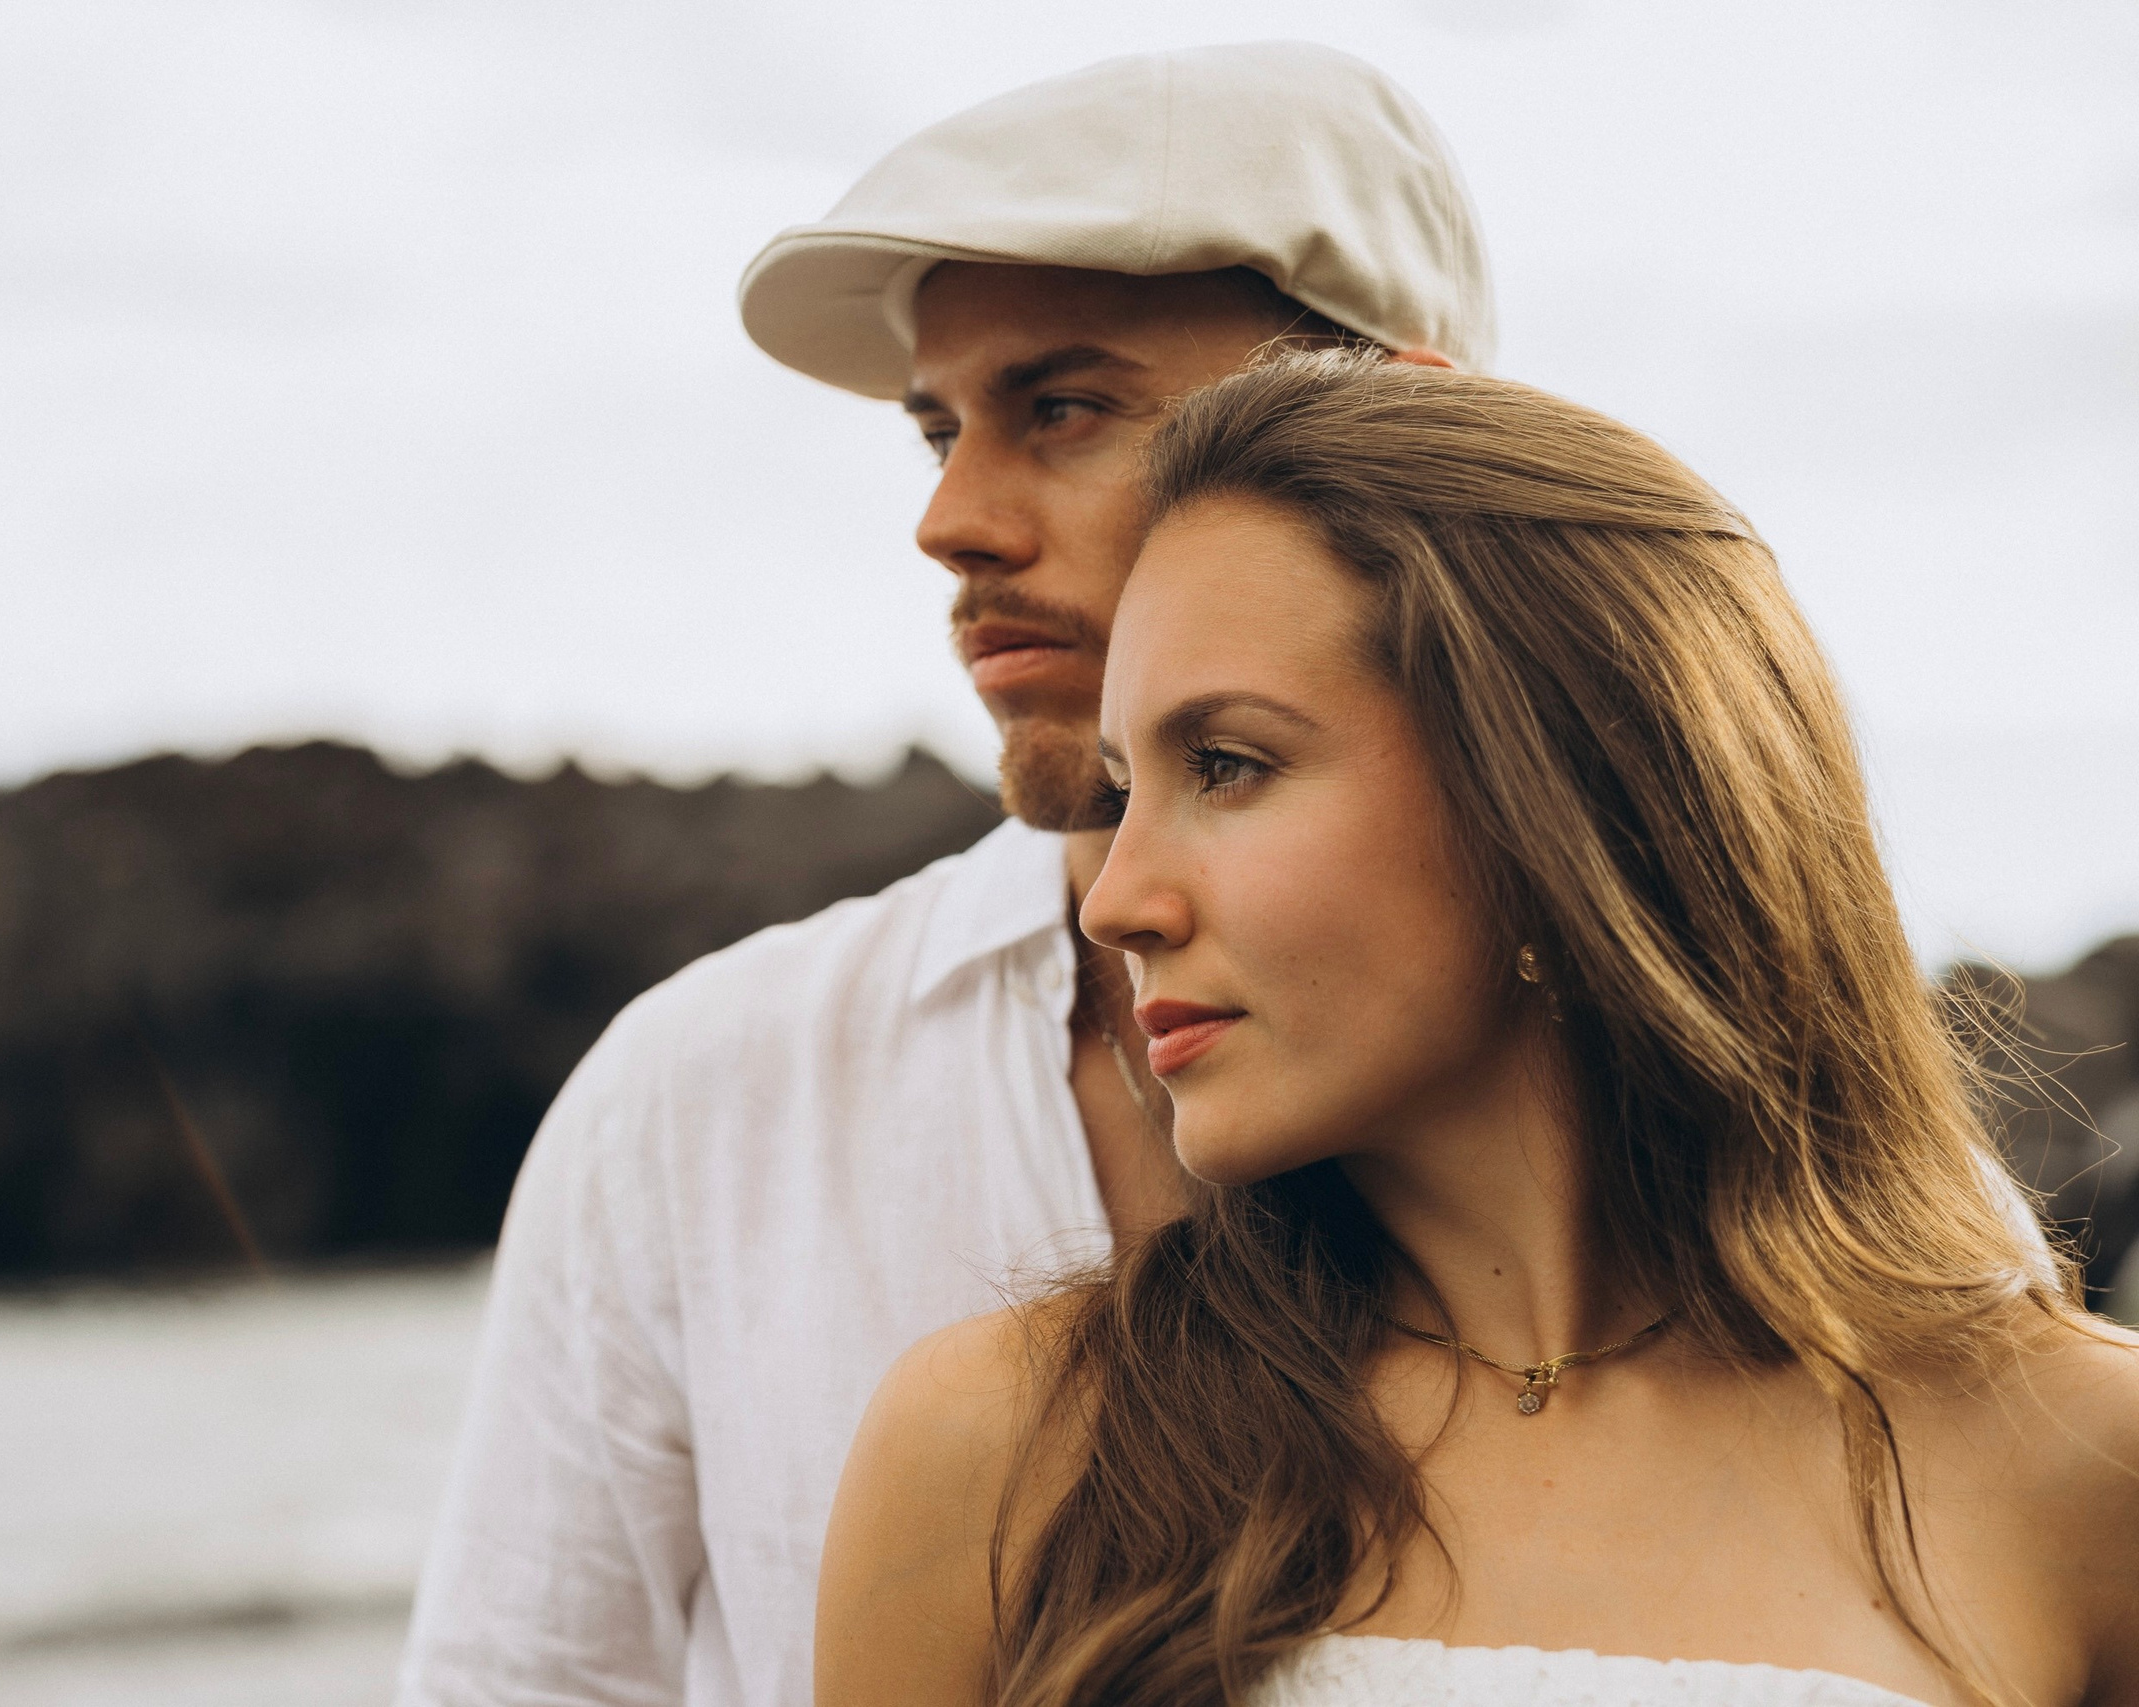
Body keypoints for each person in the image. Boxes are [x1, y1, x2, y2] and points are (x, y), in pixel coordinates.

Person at [395, 43, 1491, 1707]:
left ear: (1400, 432)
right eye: (936, 433)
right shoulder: (707, 1102)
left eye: (1066, 407)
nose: (954, 521)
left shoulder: (1740, 1134)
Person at [815, 350, 2139, 1707]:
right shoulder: (1011, 1447)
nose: (1120, 903)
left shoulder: (2088, 1466)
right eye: (1120, 784)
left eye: (1226, 765)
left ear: (1562, 798)